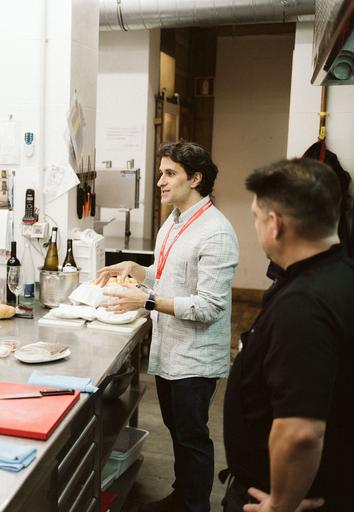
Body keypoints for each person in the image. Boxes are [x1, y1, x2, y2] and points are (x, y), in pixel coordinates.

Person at [96, 141, 239, 512]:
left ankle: (195, 506)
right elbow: (166, 277)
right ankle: (182, 495)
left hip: (195, 356)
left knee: (193, 437)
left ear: (196, 178)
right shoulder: (174, 222)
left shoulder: (216, 232)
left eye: (169, 173)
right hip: (170, 349)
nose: (160, 181)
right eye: (161, 173)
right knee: (178, 432)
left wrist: (145, 301)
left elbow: (209, 306)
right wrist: (136, 269)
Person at [222, 158, 354, 512]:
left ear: (275, 224)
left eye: (255, 217)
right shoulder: (339, 273)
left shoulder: (304, 306)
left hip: (282, 497)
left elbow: (300, 433)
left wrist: (280, 504)